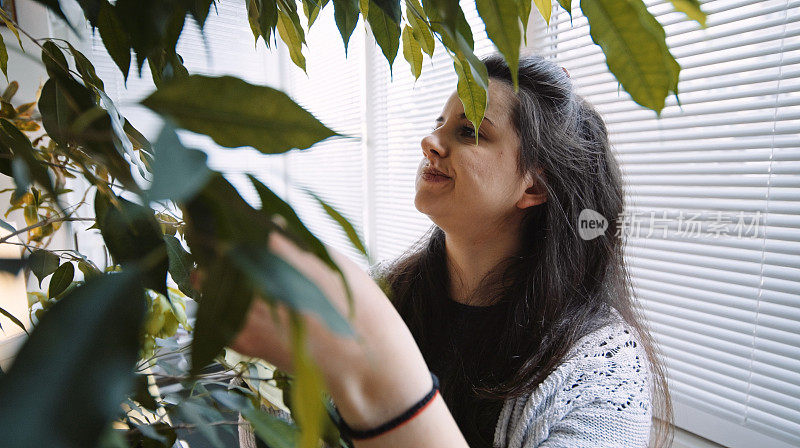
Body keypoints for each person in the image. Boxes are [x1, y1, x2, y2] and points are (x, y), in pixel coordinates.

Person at [230, 53, 673, 448]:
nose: (432, 142)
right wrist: (274, 376)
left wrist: (382, 373)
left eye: (468, 131)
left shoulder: (603, 371)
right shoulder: (387, 293)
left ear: (534, 185)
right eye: (438, 124)